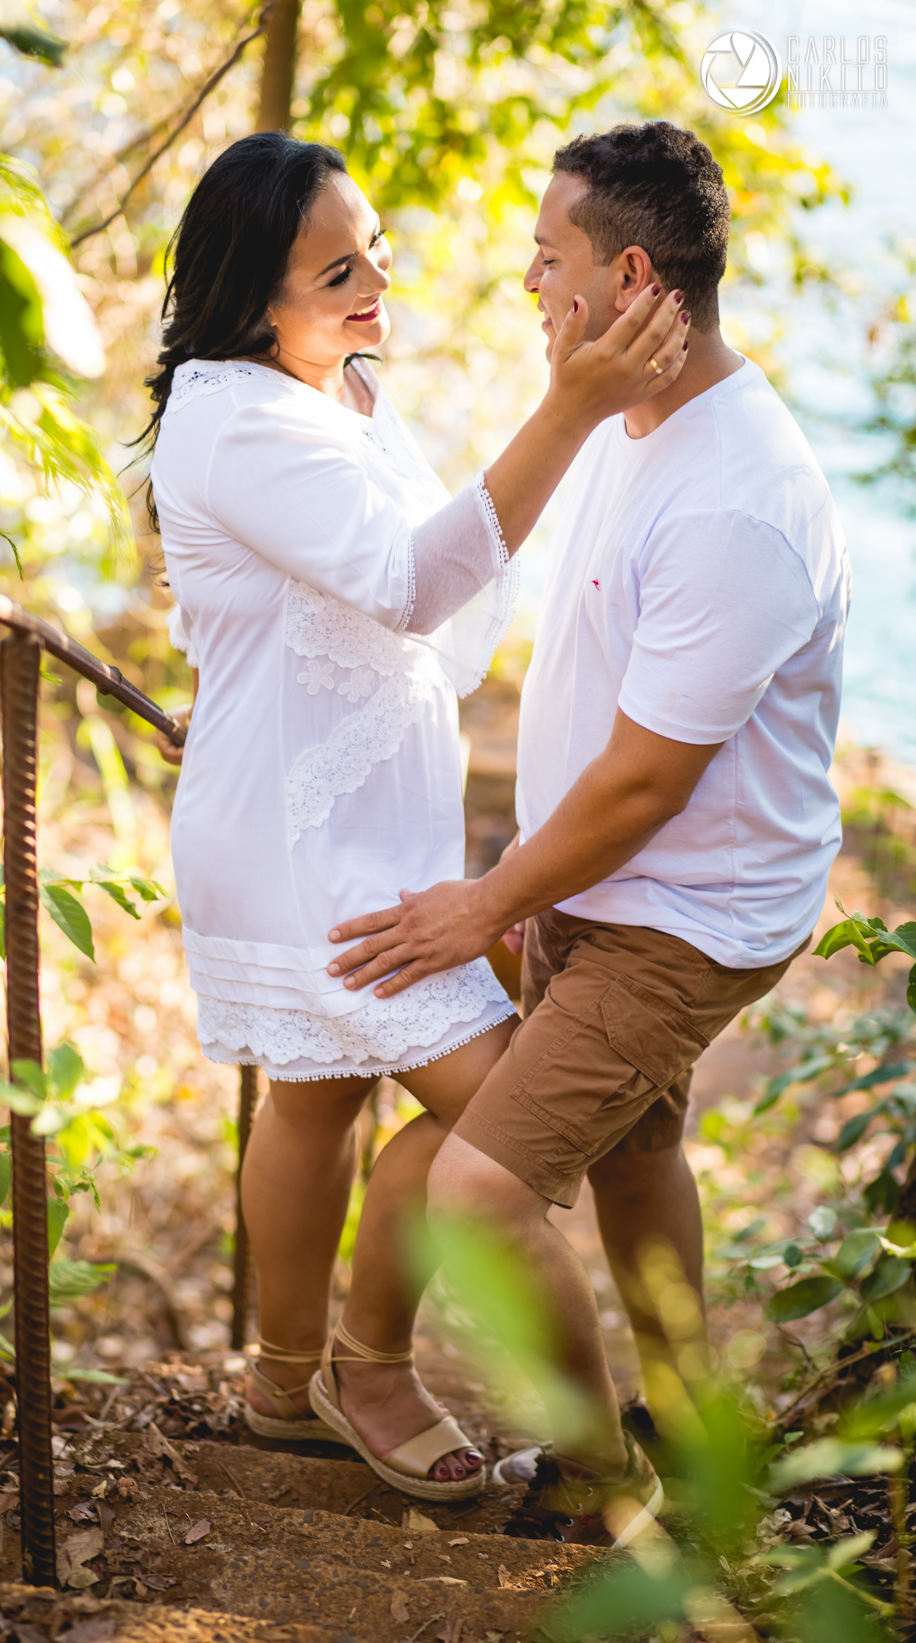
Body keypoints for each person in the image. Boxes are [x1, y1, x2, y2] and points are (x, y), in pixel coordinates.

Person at [327, 121, 850, 1539]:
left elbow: (647, 787)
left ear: (627, 275)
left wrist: (486, 901)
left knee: (481, 1200)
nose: (525, 282)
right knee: (631, 1153)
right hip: (613, 881)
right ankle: (680, 1420)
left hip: (681, 912)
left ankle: (603, 1480)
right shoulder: (634, 414)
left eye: (546, 258)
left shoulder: (736, 500)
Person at [149, 130, 687, 1500]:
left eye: (375, 244)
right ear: (248, 297)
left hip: (367, 828)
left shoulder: (337, 384)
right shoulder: (235, 418)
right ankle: (433, 1397)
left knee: (320, 1098)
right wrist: (569, 406)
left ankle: (288, 1383)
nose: (379, 280)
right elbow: (404, 579)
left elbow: (440, 561)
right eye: (339, 271)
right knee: (499, 1110)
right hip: (293, 841)